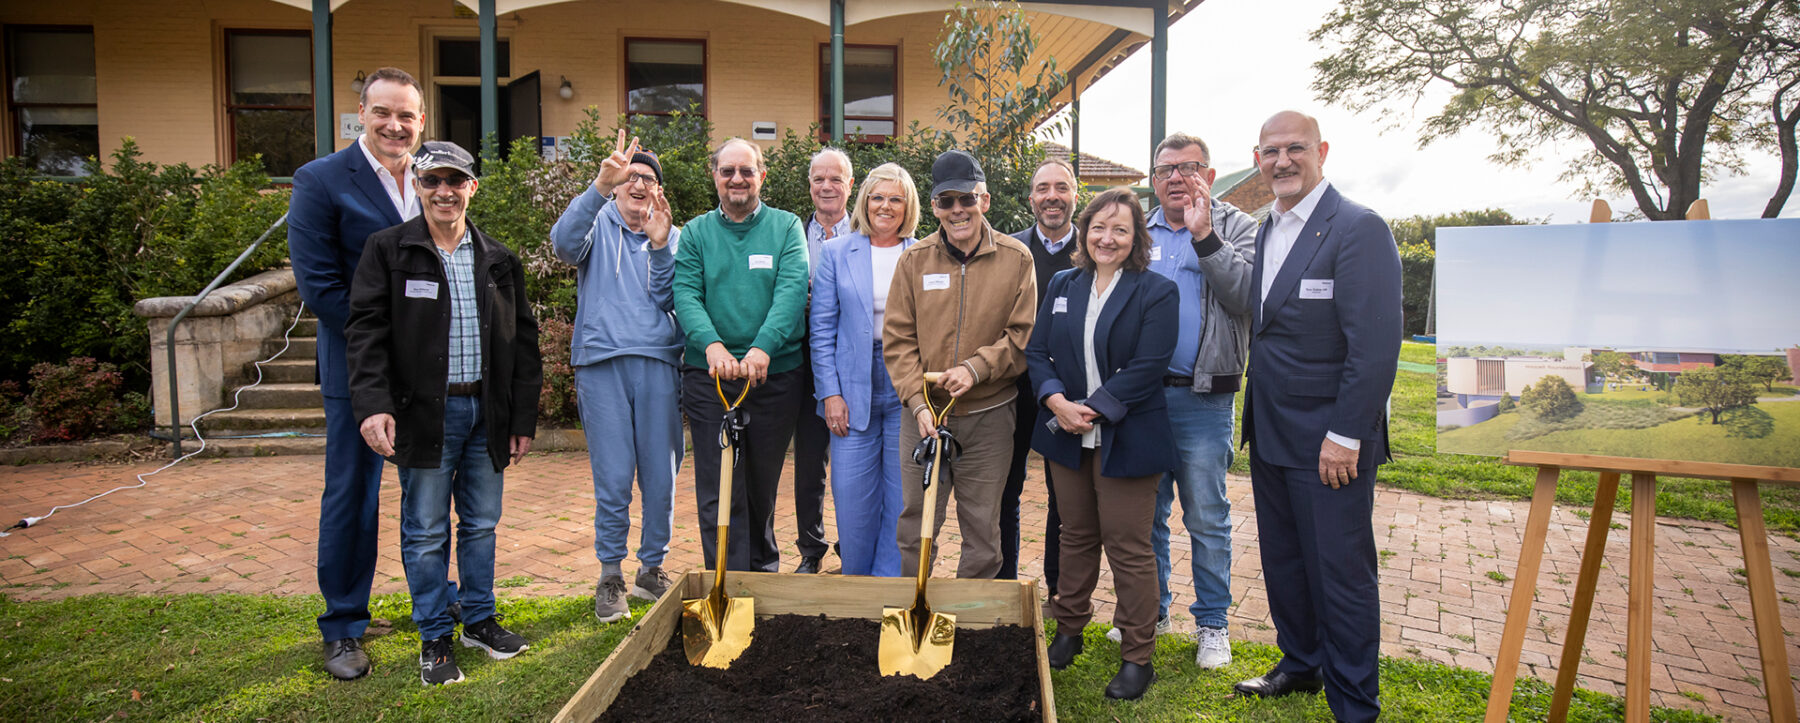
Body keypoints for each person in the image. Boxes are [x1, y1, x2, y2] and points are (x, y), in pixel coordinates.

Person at [343, 141, 542, 686]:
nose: (444, 192)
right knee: (427, 530)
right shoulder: (389, 250)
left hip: (487, 414)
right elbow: (365, 334)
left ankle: (479, 620)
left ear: (471, 187)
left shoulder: (498, 258)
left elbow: (523, 342)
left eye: (455, 181)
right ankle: (434, 635)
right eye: (432, 181)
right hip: (424, 414)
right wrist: (373, 405)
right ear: (417, 187)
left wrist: (521, 418)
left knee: (481, 524)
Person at [1233, 111, 1401, 723]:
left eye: (1295, 148)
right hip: (1271, 432)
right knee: (1284, 561)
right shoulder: (1266, 229)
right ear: (1257, 158)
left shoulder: (1357, 227)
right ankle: (1301, 662)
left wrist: (1346, 434)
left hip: (1331, 442)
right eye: (1271, 151)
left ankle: (1354, 704)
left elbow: (1375, 348)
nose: (1282, 161)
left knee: (1341, 574)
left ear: (1322, 151)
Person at [287, 66, 441, 681]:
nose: (394, 125)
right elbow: (319, 287)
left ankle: (436, 599)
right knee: (352, 495)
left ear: (421, 121)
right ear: (361, 115)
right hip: (358, 368)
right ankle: (344, 624)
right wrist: (388, 342)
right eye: (383, 113)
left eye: (406, 115)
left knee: (429, 490)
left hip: (428, 370)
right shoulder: (321, 180)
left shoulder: (434, 179)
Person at [1113, 133, 1260, 668]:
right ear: (1153, 180)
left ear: (1210, 176)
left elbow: (1245, 296)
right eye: (1165, 169)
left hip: (1204, 399)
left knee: (1207, 516)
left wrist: (1204, 235)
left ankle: (1213, 624)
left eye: (1188, 167)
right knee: (1145, 514)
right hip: (1141, 400)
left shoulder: (1239, 227)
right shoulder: (1136, 229)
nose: (1175, 177)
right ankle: (1152, 612)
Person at [1028, 187, 1180, 701]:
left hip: (1127, 435)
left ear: (1136, 238)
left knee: (1128, 547)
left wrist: (1089, 408)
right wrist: (1056, 402)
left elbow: (1149, 366)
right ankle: (1069, 630)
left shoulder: (1156, 291)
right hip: (1066, 434)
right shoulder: (1064, 284)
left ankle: (1138, 656)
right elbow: (1038, 352)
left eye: (1120, 229)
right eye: (1098, 227)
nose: (1107, 238)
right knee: (1074, 535)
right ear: (1085, 231)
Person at [883, 149, 1037, 580]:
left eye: (966, 199)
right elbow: (898, 340)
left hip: (989, 417)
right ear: (934, 206)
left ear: (984, 200)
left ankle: (972, 615)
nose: (957, 210)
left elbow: (1021, 336)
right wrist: (917, 404)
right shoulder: (914, 261)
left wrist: (975, 369)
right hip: (923, 416)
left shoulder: (1016, 259)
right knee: (916, 524)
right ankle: (916, 605)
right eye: (946, 201)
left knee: (983, 529)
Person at [549, 129, 682, 622]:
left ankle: (652, 568)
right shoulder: (596, 222)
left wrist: (662, 245)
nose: (638, 184)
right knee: (613, 477)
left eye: (648, 178)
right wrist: (599, 186)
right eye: (630, 176)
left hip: (658, 363)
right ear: (617, 184)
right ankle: (610, 574)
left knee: (661, 476)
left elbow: (670, 300)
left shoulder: (672, 234)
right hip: (602, 363)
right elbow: (563, 246)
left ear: (658, 189)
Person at [672, 138, 810, 573]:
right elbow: (686, 293)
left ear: (761, 176)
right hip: (710, 379)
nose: (737, 179)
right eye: (728, 170)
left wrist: (762, 349)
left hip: (774, 377)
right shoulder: (696, 233)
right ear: (714, 175)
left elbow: (791, 291)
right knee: (718, 488)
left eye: (746, 171)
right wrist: (712, 346)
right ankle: (725, 582)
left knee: (760, 486)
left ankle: (762, 575)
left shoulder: (786, 227)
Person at [809, 162, 920, 577]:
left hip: (905, 382)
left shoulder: (921, 254)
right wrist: (830, 394)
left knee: (901, 497)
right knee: (852, 498)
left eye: (895, 199)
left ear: (908, 206)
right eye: (877, 198)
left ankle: (888, 587)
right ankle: (856, 583)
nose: (885, 206)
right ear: (864, 202)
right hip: (851, 386)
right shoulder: (838, 252)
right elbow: (821, 330)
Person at [1001, 158, 1080, 586]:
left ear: (1075, 195)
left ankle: (1060, 591)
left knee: (1064, 498)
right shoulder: (1009, 250)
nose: (1053, 197)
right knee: (1005, 492)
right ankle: (1003, 586)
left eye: (1061, 187)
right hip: (1012, 390)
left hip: (1068, 395)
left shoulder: (1095, 250)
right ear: (1031, 197)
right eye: (1044, 188)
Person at [792, 149, 854, 574]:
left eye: (835, 179)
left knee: (854, 462)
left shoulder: (867, 234)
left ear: (850, 184)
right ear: (810, 185)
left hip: (852, 362)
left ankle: (853, 544)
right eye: (819, 179)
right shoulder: (791, 236)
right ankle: (810, 549)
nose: (827, 186)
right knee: (809, 462)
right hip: (803, 361)